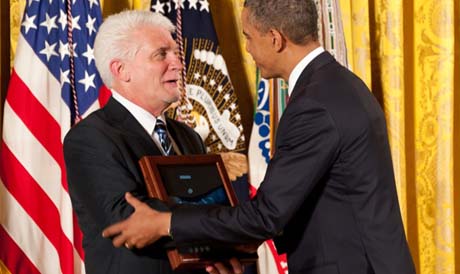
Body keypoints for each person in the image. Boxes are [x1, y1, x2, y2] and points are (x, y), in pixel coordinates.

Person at [102, 1, 416, 273]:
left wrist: (165, 223)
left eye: (249, 38)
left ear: (275, 39)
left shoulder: (314, 105)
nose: (248, 49)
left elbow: (267, 215)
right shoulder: (340, 84)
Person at [63, 10, 242, 274]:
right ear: (121, 70)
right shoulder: (90, 138)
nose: (178, 64)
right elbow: (129, 219)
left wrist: (221, 252)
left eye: (174, 52)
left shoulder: (188, 136)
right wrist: (224, 223)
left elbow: (210, 207)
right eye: (161, 54)